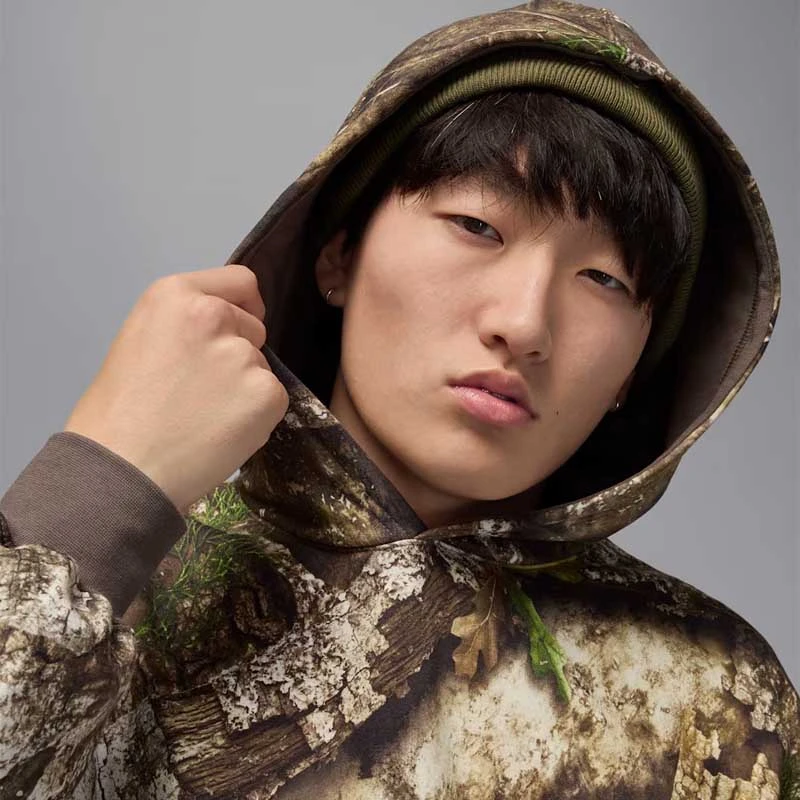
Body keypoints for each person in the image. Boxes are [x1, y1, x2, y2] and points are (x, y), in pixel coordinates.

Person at [1, 1, 798, 797]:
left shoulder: (712, 696)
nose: (525, 324)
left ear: (633, 370)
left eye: (604, 279)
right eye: (477, 226)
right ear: (339, 256)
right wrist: (98, 489)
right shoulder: (114, 585)